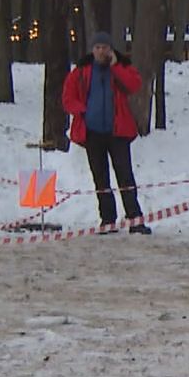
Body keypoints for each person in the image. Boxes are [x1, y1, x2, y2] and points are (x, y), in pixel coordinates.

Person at [61, 31, 149, 235]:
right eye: (98, 47)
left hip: (118, 132)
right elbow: (67, 98)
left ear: (111, 50)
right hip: (92, 133)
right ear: (92, 50)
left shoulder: (122, 67)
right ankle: (108, 219)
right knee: (100, 178)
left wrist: (115, 67)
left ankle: (135, 218)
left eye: (105, 48)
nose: (101, 51)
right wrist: (82, 110)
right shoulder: (81, 71)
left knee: (125, 176)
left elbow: (134, 85)